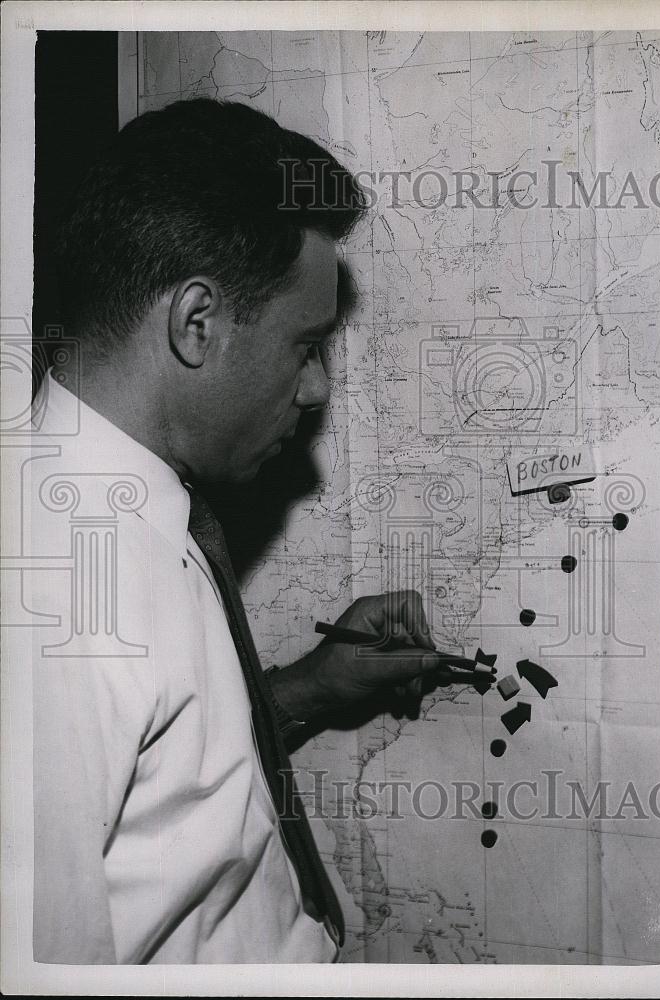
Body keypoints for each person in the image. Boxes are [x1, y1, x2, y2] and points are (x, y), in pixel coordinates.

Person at [30, 98, 445, 964]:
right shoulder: (51, 596)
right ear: (197, 324)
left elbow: (150, 777)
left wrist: (303, 692)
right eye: (305, 346)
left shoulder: (124, 508)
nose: (317, 390)